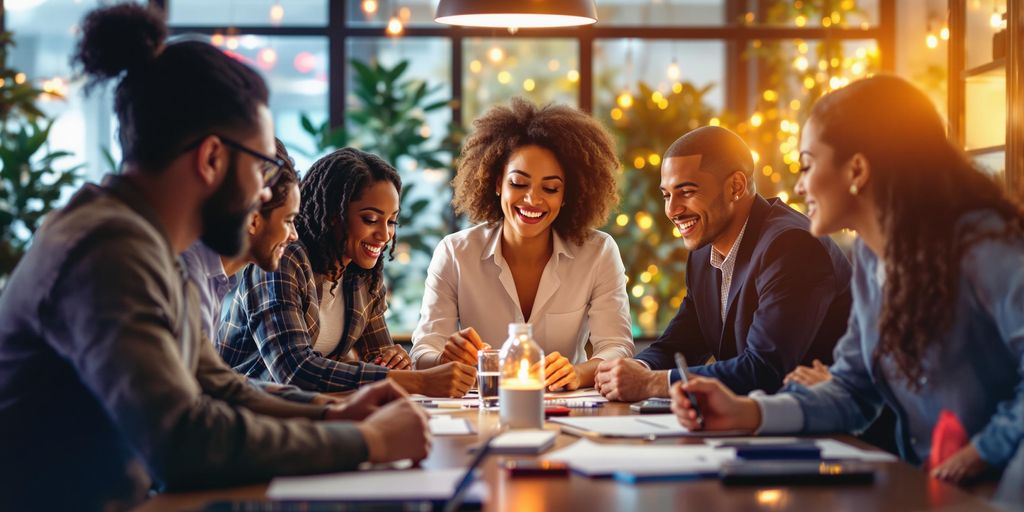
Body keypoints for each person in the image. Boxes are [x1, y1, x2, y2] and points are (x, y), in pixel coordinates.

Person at [0, 5, 428, 510]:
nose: (262, 195)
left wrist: (337, 416)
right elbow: (183, 440)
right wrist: (369, 443)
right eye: (263, 166)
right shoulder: (108, 251)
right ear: (211, 159)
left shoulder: (148, 243)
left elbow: (220, 385)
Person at [670, 75, 1024, 485]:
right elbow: (853, 391)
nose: (800, 186)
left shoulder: (984, 246)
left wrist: (985, 448)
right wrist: (745, 411)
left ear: (856, 169)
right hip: (936, 488)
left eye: (807, 165)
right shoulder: (874, 263)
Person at [594, 125, 852, 401]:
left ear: (736, 187)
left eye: (687, 192)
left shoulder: (792, 246)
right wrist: (637, 368)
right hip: (756, 422)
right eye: (667, 195)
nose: (672, 210)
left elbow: (765, 370)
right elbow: (681, 343)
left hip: (834, 431)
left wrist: (651, 383)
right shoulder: (704, 252)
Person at [410, 98, 633, 391]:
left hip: (561, 407)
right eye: (518, 183)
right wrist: (444, 358)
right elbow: (422, 353)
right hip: (479, 406)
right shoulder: (455, 253)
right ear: (496, 182)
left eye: (550, 188)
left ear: (567, 195)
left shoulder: (598, 252)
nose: (532, 199)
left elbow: (617, 348)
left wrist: (577, 373)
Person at [220, 147, 477, 396]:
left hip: (315, 414)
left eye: (391, 221)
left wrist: (396, 361)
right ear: (334, 214)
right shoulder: (285, 258)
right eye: (370, 220)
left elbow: (379, 358)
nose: (385, 235)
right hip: (246, 414)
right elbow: (295, 370)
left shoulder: (362, 274)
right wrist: (417, 381)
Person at [181, 139, 336, 405]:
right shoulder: (190, 275)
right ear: (253, 219)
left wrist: (324, 408)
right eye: (288, 221)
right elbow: (194, 403)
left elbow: (219, 382)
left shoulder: (215, 278)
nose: (294, 235)